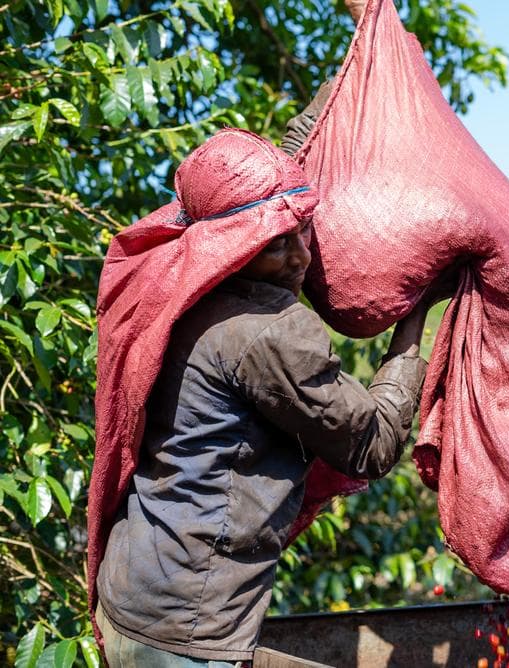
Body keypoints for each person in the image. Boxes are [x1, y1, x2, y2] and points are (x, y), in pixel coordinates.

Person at [92, 3, 437, 665]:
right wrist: (416, 316)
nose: (300, 255)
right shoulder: (264, 334)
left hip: (133, 593)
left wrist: (368, 49)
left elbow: (284, 162)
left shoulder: (176, 270)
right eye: (277, 247)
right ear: (236, 247)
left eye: (301, 231)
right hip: (185, 629)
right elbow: (369, 443)